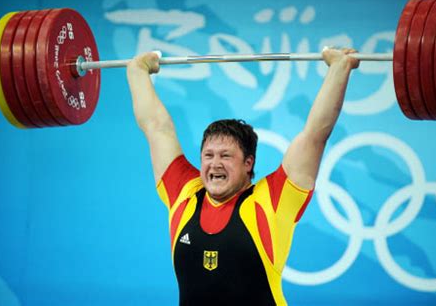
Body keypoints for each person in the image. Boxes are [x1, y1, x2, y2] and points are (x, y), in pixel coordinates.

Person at [126, 48, 359, 305]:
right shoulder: (184, 192)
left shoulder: (272, 199)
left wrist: (339, 68)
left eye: (226, 156)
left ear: (248, 163)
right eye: (208, 155)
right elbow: (156, 127)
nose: (215, 164)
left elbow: (315, 134)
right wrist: (137, 71)